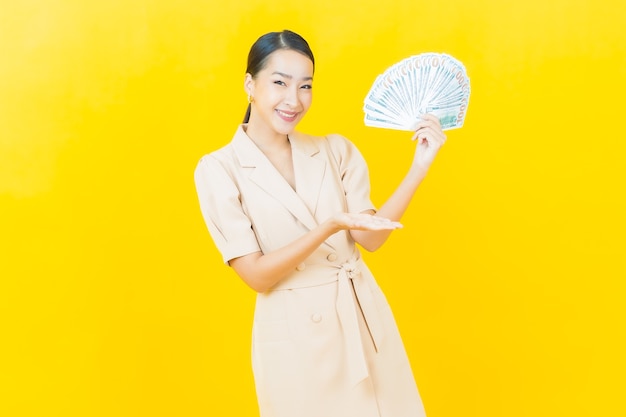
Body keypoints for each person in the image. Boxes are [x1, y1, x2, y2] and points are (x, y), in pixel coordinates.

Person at [194, 29, 446, 417]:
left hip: (363, 320)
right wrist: (327, 228)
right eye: (279, 83)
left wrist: (418, 168)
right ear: (250, 84)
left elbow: (371, 239)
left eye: (305, 86)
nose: (293, 100)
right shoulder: (218, 169)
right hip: (295, 338)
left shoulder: (334, 149)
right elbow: (257, 276)